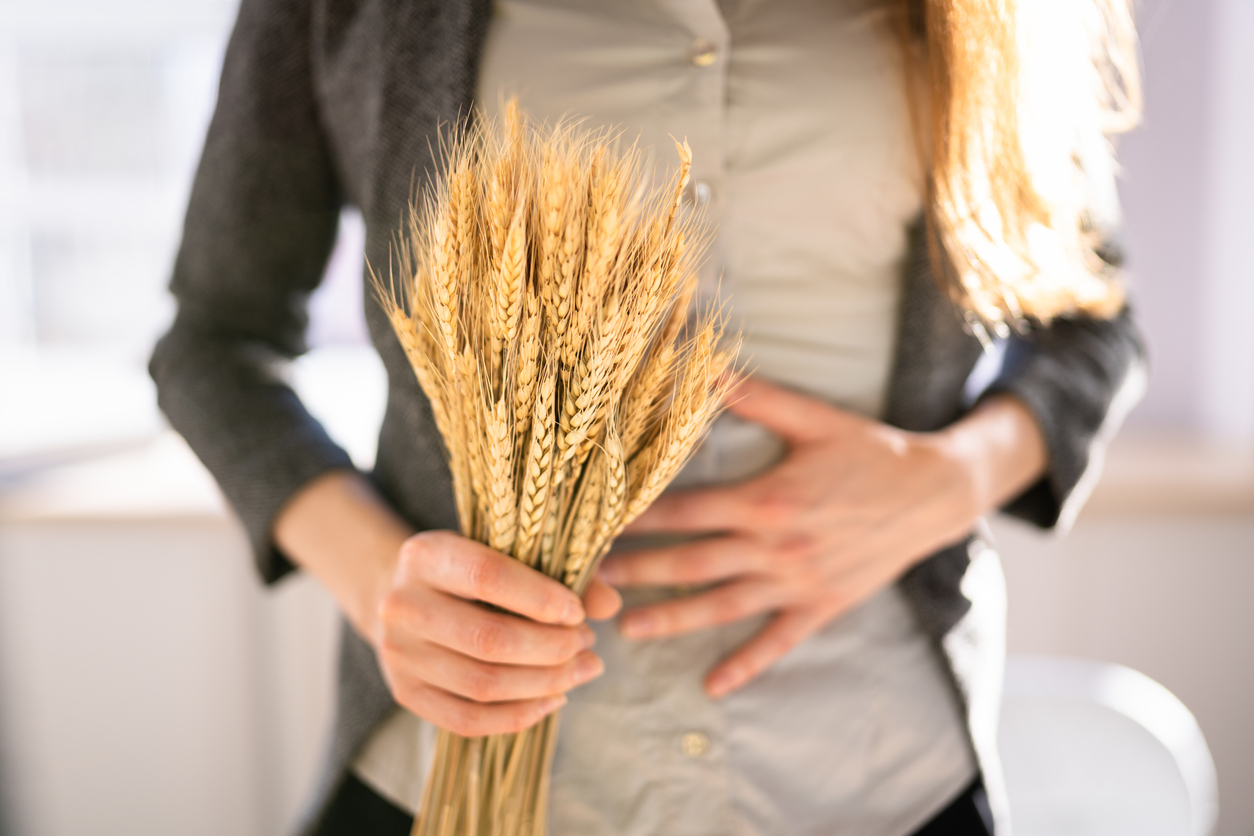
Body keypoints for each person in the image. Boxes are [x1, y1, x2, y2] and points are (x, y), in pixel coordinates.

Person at [150, 0, 1145, 834]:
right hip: (461, 780)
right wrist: (385, 588)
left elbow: (1094, 326)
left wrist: (952, 476)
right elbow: (216, 342)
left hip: (878, 772)